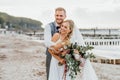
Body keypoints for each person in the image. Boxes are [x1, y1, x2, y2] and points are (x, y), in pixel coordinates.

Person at [44, 7, 66, 80]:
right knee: (51, 76)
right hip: (51, 56)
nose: (58, 17)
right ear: (54, 15)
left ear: (65, 16)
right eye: (57, 15)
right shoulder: (48, 26)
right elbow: (47, 42)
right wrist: (59, 46)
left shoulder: (68, 26)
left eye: (61, 15)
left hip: (64, 56)